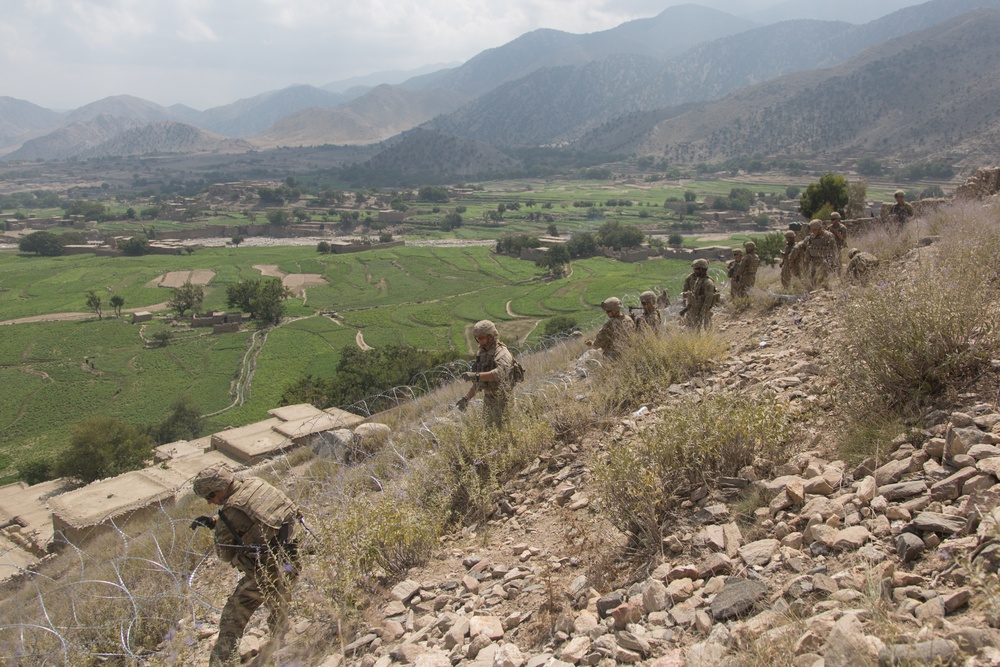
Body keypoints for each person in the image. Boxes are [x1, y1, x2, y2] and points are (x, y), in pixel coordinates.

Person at [191, 463, 302, 667]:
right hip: (293, 554)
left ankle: (222, 662)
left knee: (232, 618)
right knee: (279, 605)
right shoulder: (255, 483)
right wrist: (216, 520)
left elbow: (225, 554)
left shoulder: (230, 515)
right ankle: (282, 641)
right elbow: (256, 512)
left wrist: (221, 526)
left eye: (210, 496)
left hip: (267, 572)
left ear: (220, 489)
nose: (209, 502)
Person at [458, 319, 514, 426]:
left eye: (482, 337)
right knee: (488, 430)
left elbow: (500, 373)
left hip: (503, 399)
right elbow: (479, 382)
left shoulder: (502, 352)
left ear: (491, 336)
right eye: (477, 338)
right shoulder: (482, 354)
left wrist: (476, 375)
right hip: (488, 399)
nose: (480, 340)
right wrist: (466, 398)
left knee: (502, 430)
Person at [681, 259, 718, 331]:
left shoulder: (708, 283)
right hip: (692, 308)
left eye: (696, 269)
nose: (694, 271)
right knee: (691, 329)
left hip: (702, 309)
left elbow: (708, 301)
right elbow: (685, 290)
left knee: (705, 329)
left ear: (702, 270)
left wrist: (702, 314)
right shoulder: (691, 278)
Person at [801, 219, 838, 290]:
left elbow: (833, 250)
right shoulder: (812, 237)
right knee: (813, 278)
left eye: (814, 230)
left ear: (818, 228)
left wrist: (832, 262)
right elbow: (809, 249)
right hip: (814, 262)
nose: (812, 232)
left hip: (824, 262)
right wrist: (806, 261)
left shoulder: (828, 236)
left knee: (823, 279)